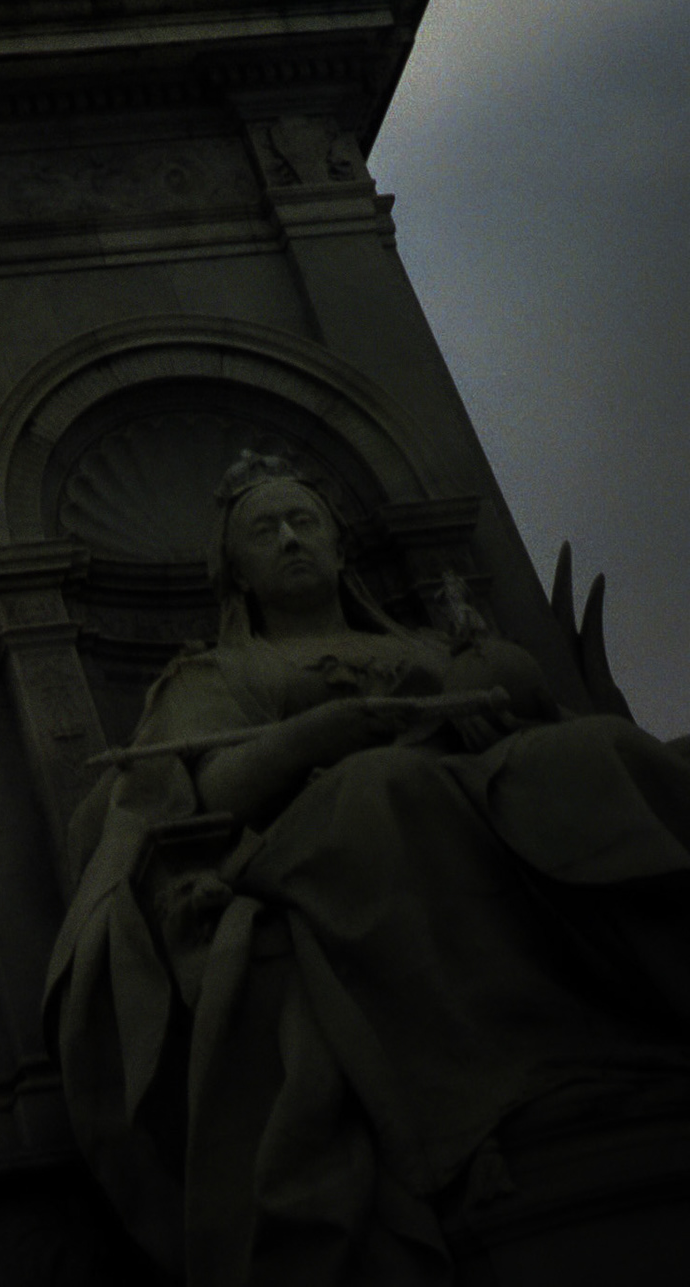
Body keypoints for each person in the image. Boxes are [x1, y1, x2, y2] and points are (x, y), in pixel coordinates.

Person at [46, 453, 690, 1283]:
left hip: (478, 784)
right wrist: (321, 732)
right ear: (232, 565)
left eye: (302, 520)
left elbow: (532, 719)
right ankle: (487, 1093)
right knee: (386, 788)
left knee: (601, 751)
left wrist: (500, 688)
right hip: (322, 824)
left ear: (340, 545)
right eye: (264, 529)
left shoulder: (432, 642)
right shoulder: (220, 671)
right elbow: (205, 786)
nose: (288, 538)